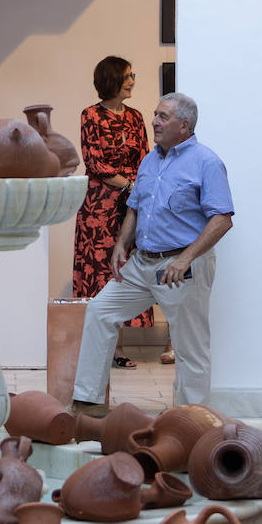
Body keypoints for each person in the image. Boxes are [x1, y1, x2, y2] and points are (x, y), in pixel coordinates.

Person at [71, 93, 233, 412]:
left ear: (184, 126)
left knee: (189, 347)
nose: (154, 121)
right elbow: (135, 207)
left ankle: (190, 420)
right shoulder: (149, 160)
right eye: (155, 114)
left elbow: (222, 219)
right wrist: (121, 244)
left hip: (182, 266)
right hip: (141, 263)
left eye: (163, 117)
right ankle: (88, 404)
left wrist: (186, 258)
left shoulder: (207, 162)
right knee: (100, 311)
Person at [72, 56, 162, 370]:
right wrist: (129, 186)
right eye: (127, 76)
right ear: (111, 79)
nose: (132, 81)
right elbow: (94, 162)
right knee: (99, 270)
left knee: (124, 270)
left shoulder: (136, 116)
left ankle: (118, 348)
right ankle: (101, 348)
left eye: (132, 75)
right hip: (100, 205)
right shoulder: (90, 115)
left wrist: (140, 190)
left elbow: (145, 157)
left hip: (131, 203)